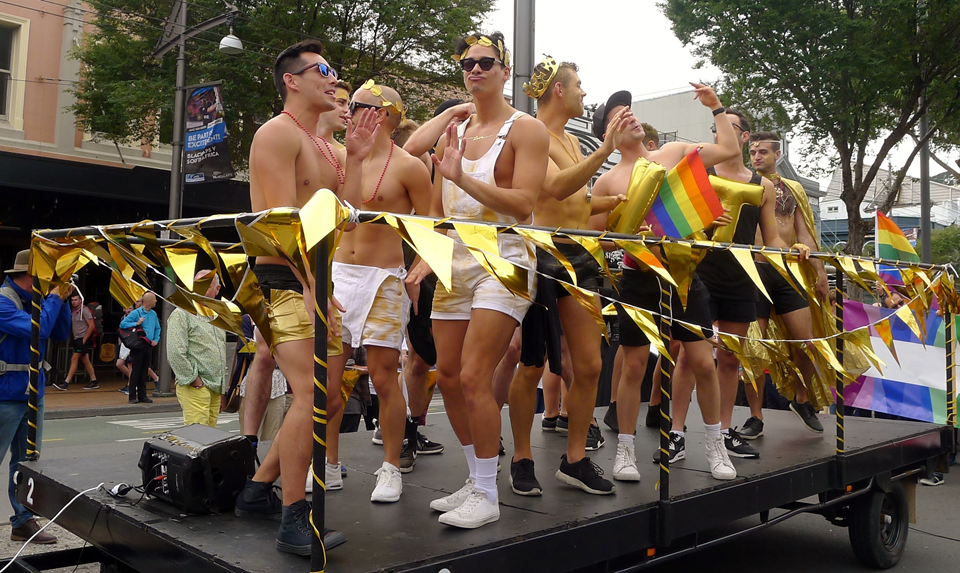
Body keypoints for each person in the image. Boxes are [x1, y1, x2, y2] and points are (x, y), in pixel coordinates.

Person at [232, 39, 376, 556]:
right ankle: (296, 515)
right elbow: (279, 224)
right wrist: (316, 287)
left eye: (333, 70)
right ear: (292, 80)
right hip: (284, 281)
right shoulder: (275, 133)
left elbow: (348, 211)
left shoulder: (326, 147)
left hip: (318, 282)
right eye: (323, 70)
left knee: (332, 396)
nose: (333, 79)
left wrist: (356, 157)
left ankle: (255, 490)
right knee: (310, 394)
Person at [406, 31, 549, 529]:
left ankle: (488, 494)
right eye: (468, 63)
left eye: (486, 62)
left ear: (506, 71)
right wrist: (426, 256)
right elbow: (431, 202)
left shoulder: (526, 128)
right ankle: (474, 477)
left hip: (505, 256)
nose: (476, 70)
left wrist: (462, 175)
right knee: (445, 375)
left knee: (473, 375)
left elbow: (523, 203)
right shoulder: (457, 129)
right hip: (455, 259)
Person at [591, 86, 739, 482]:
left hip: (686, 276)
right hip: (639, 278)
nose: (631, 117)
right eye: (619, 117)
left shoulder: (671, 154)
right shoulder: (607, 183)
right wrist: (626, 235)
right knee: (633, 365)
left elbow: (727, 149)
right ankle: (624, 450)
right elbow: (592, 237)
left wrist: (716, 107)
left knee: (703, 363)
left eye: (630, 111)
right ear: (609, 134)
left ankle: (715, 444)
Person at [507, 55, 628, 497]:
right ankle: (522, 457)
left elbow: (576, 201)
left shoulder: (572, 142)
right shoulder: (532, 132)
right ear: (558, 90)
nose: (583, 92)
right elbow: (554, 189)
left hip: (579, 255)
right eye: (577, 84)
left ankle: (574, 459)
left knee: (591, 363)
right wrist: (606, 150)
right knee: (532, 363)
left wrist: (616, 202)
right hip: (542, 254)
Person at [671, 114, 802, 461]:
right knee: (688, 355)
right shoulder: (701, 175)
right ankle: (676, 433)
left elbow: (771, 236)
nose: (720, 134)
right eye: (716, 128)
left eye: (728, 128)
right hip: (700, 277)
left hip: (742, 279)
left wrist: (796, 250)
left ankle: (725, 432)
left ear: (742, 137)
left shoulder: (764, 185)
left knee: (730, 358)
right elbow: (679, 224)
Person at [325, 79, 431, 502]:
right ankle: (328, 463)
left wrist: (421, 266)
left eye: (359, 104)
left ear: (384, 114)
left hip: (385, 277)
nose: (349, 109)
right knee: (328, 381)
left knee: (385, 376)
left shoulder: (409, 166)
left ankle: (391, 466)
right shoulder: (336, 157)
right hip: (337, 274)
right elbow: (337, 218)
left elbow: (432, 225)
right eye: (349, 104)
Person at [743, 130, 829, 438]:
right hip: (754, 271)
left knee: (805, 341)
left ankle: (802, 400)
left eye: (763, 152)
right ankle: (755, 417)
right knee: (753, 348)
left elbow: (805, 233)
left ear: (777, 154)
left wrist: (820, 274)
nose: (756, 157)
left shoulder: (793, 189)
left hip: (789, 271)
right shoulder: (745, 184)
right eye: (753, 152)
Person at [0, 249, 71, 544]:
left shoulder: (35, 299)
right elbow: (36, 331)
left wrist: (61, 300)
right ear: (31, 275)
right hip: (4, 395)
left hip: (31, 394)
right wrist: (54, 297)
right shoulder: (3, 301)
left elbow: (61, 332)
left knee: (27, 463)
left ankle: (23, 521)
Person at [166, 270, 228, 427]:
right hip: (197, 385)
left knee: (210, 437)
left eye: (205, 285)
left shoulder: (217, 315)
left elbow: (221, 352)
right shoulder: (182, 313)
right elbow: (175, 352)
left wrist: (221, 390)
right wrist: (194, 380)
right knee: (197, 437)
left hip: (214, 386)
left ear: (217, 289)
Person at [119, 292, 160, 404]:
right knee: (136, 370)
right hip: (138, 344)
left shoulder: (153, 314)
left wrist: (156, 339)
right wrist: (137, 323)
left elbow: (157, 328)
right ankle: (132, 396)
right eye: (154, 299)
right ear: (149, 301)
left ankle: (143, 396)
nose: (156, 301)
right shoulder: (136, 313)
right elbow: (123, 325)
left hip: (148, 344)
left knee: (144, 370)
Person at [54, 293, 98, 391]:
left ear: (80, 300)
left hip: (82, 338)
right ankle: (94, 381)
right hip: (76, 338)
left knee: (74, 359)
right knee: (85, 360)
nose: (74, 302)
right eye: (72, 300)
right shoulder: (73, 311)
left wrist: (85, 339)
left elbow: (91, 325)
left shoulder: (85, 310)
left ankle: (66, 382)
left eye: (76, 300)